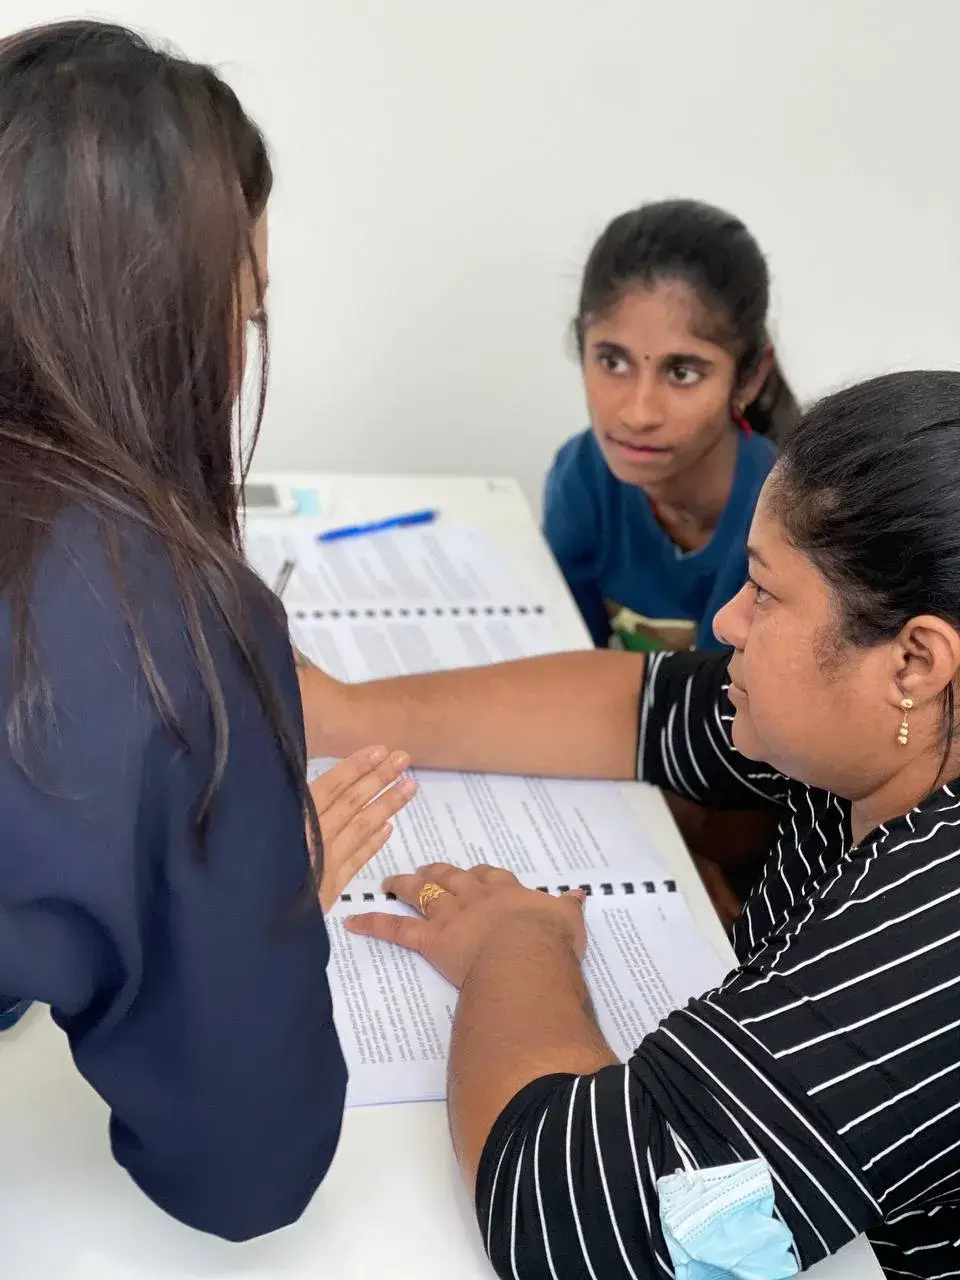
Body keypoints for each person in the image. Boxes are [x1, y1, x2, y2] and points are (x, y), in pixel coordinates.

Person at [303, 370, 960, 1278]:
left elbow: (574, 1216)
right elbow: (640, 708)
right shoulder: (872, 732)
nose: (726, 621)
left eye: (764, 594)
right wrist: (340, 712)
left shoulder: (937, 923)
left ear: (916, 661)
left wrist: (514, 944)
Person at [0, 22, 415, 1240]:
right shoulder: (162, 628)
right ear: (164, 323)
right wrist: (259, 905)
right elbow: (245, 1168)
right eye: (247, 311)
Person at [547, 198, 798, 654]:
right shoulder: (582, 474)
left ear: (749, 377)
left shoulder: (785, 514)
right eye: (613, 361)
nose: (638, 414)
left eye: (682, 372)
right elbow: (568, 658)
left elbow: (719, 693)